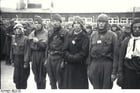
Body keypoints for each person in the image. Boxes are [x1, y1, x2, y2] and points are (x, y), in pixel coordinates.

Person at [87, 14, 118, 89]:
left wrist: (114, 72)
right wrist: (89, 69)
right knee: (96, 87)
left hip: (107, 64)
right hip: (95, 63)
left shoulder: (113, 35)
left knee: (106, 87)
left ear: (107, 23)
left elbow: (116, 54)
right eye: (99, 22)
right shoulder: (93, 35)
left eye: (103, 22)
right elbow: (89, 53)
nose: (101, 24)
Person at [61, 16, 89, 89]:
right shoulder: (69, 35)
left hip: (79, 66)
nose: (76, 25)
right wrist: (69, 57)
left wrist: (74, 58)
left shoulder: (85, 37)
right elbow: (64, 49)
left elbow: (84, 52)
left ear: (81, 25)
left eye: (78, 23)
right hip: (69, 66)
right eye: (75, 23)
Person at [24, 15, 48, 89]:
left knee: (42, 75)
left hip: (42, 55)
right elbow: (29, 47)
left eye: (38, 23)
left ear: (42, 24)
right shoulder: (32, 33)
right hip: (34, 55)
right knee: (36, 74)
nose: (37, 25)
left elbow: (45, 45)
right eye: (35, 23)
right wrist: (26, 61)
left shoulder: (46, 33)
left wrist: (38, 42)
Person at [46, 14, 68, 89]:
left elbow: (66, 48)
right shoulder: (50, 32)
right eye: (53, 21)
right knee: (51, 80)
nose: (55, 23)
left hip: (59, 58)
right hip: (50, 57)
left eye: (57, 21)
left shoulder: (65, 32)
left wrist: (64, 61)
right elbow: (47, 46)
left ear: (60, 22)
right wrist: (46, 59)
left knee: (60, 80)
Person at [117, 18, 140, 89]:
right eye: (135, 27)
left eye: (139, 27)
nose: (137, 29)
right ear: (132, 28)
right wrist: (120, 73)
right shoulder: (126, 41)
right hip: (128, 71)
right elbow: (121, 58)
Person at [11, 23, 30, 89]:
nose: (18, 30)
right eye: (16, 29)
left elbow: (27, 51)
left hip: (23, 60)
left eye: (19, 29)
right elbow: (12, 50)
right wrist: (12, 60)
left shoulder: (25, 39)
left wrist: (26, 62)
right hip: (16, 60)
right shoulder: (14, 38)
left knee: (23, 78)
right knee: (16, 78)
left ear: (22, 30)